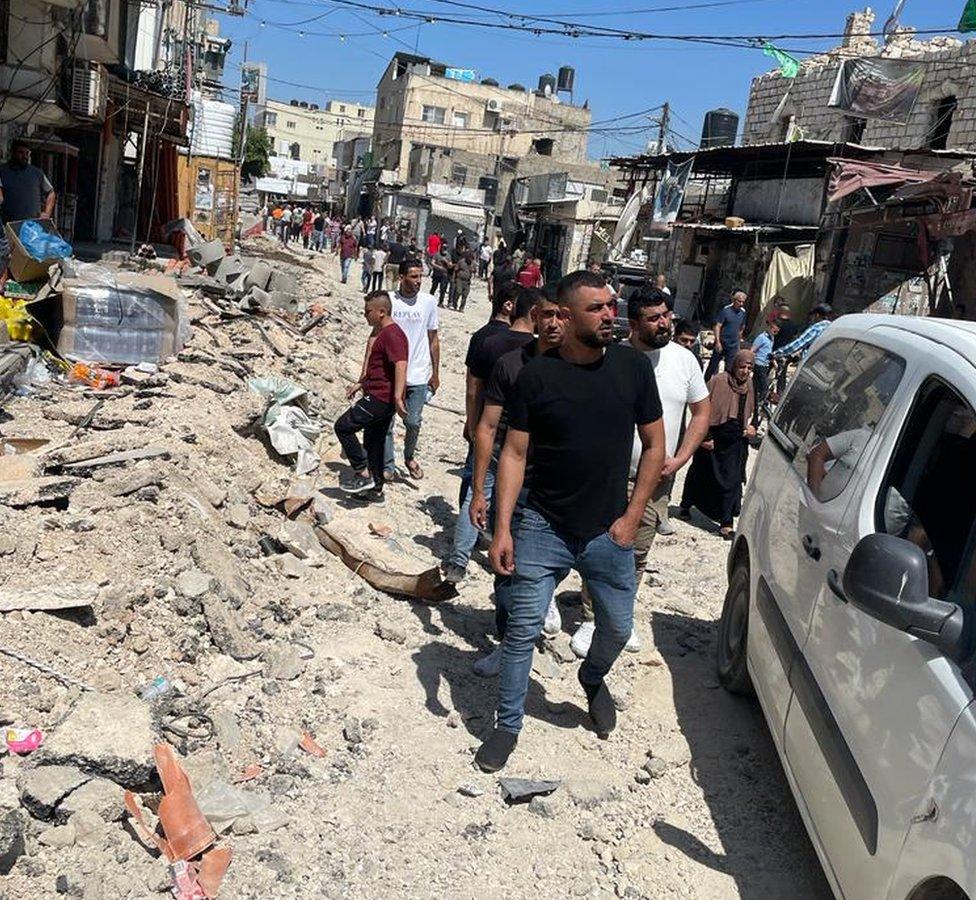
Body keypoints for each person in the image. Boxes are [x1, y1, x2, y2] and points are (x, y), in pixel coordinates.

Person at [475, 270, 666, 772]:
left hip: (609, 530)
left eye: (612, 306)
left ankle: (592, 677)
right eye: (598, 308)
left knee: (618, 628)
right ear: (565, 315)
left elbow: (654, 446)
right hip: (543, 524)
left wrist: (631, 516)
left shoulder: (632, 368)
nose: (611, 315)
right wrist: (503, 527)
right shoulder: (537, 376)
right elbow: (513, 454)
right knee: (521, 630)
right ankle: (507, 724)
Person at [571, 288, 711, 658]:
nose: (664, 322)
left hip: (656, 478)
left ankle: (619, 618)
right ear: (633, 324)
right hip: (606, 473)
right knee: (600, 544)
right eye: (654, 318)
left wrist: (680, 458)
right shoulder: (611, 357)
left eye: (666, 315)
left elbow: (701, 413)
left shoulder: (685, 361)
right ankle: (590, 618)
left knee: (636, 551)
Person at [468, 291, 565, 677]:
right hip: (515, 482)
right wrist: (478, 489)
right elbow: (488, 427)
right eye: (548, 315)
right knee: (506, 567)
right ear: (536, 318)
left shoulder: (581, 366)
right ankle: (509, 641)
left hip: (560, 487)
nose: (555, 323)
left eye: (563, 316)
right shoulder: (510, 365)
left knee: (545, 568)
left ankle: (541, 601)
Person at [444, 287, 540, 585]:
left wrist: (472, 425)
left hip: (489, 430)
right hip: (524, 442)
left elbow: (473, 388)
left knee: (476, 494)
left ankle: (459, 560)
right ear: (535, 313)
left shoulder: (487, 340)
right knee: (514, 502)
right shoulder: (540, 353)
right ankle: (507, 561)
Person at [335, 292, 408, 505]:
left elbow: (401, 365)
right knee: (373, 442)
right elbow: (378, 366)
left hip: (380, 398)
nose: (365, 315)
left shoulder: (392, 334)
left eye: (368, 312)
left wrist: (397, 398)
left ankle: (362, 472)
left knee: (343, 426)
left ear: (382, 312)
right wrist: (360, 383)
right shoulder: (382, 333)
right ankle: (375, 489)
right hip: (378, 395)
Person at [679, 349, 756, 540]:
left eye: (749, 367)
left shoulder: (748, 384)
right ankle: (686, 505)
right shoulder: (719, 381)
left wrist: (752, 427)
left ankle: (726, 522)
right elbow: (703, 409)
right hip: (713, 436)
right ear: (734, 366)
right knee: (701, 471)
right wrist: (704, 438)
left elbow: (752, 409)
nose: (745, 371)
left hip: (736, 439)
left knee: (732, 479)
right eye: (742, 367)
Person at [383, 260, 440, 481]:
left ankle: (408, 456)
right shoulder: (389, 300)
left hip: (417, 373)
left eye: (420, 277)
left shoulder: (428, 302)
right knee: (387, 422)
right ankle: (388, 465)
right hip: (391, 373)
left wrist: (435, 373)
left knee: (413, 421)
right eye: (414, 277)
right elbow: (378, 336)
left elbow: (433, 339)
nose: (418, 282)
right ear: (402, 277)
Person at [0, 140, 56, 224]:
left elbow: (51, 192)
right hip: (9, 225)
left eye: (27, 153)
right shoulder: (3, 171)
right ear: (12, 153)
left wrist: (47, 213)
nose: (24, 156)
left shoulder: (36, 173)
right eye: (21, 153)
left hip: (32, 226)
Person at [704, 290, 747, 379]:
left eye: (743, 302)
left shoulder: (743, 312)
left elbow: (742, 327)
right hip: (722, 343)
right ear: (734, 300)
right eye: (739, 301)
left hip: (733, 345)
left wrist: (738, 342)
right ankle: (705, 382)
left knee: (729, 368)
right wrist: (717, 342)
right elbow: (717, 326)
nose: (741, 303)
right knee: (713, 366)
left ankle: (724, 387)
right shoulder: (725, 311)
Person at [749, 319, 778, 425]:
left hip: (765, 365)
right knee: (764, 388)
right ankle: (760, 408)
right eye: (774, 331)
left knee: (754, 386)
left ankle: (753, 404)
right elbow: (752, 350)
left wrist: (773, 362)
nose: (775, 333)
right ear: (770, 328)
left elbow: (769, 352)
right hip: (759, 364)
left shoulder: (771, 338)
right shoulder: (762, 338)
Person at [771, 302, 799, 395]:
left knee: (765, 372)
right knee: (781, 375)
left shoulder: (777, 323)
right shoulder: (793, 325)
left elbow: (771, 335)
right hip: (785, 354)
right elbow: (795, 338)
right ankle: (780, 394)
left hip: (773, 351)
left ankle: (762, 393)